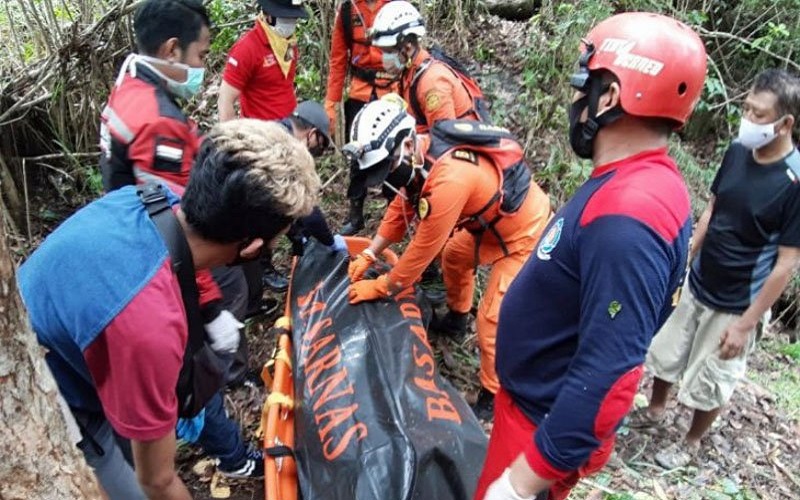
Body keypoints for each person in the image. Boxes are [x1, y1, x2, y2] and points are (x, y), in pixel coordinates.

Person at [18, 119, 320, 499]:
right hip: (50, 388)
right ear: (251, 248)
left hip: (61, 324)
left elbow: (185, 259)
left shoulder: (155, 196)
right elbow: (158, 481)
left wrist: (209, 306)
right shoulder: (149, 331)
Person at [475, 12, 707, 500]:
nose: (576, 101)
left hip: (541, 425)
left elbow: (611, 374)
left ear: (611, 96)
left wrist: (521, 482)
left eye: (586, 86)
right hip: (536, 405)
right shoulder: (640, 181)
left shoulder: (629, 216)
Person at [633, 69, 800, 469]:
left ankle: (691, 441)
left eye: (758, 114)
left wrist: (746, 324)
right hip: (701, 277)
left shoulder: (794, 182)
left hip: (739, 296)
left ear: (785, 124)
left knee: (712, 375)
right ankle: (655, 411)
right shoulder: (738, 150)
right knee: (667, 348)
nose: (748, 119)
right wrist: (684, 258)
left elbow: (787, 262)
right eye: (746, 107)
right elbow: (712, 208)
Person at [344, 98, 552, 420]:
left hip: (523, 232)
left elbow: (422, 251)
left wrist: (384, 285)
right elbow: (401, 210)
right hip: (489, 225)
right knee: (455, 256)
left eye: (386, 168)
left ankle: (492, 394)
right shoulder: (420, 158)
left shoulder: (449, 179)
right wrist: (371, 252)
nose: (384, 178)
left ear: (408, 142)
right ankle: (457, 318)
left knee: (492, 320)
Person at [99, 0, 211, 193]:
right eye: (201, 56)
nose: (202, 67)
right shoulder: (162, 121)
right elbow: (179, 207)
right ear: (172, 50)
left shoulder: (129, 83)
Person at [324, 0, 398, 235]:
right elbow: (338, 60)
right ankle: (355, 213)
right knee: (357, 152)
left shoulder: (396, 6)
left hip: (392, 91)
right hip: (360, 91)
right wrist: (331, 103)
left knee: (394, 152)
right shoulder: (347, 10)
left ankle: (393, 211)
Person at [368, 1, 487, 133]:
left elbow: (444, 139)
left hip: (459, 148)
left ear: (407, 47)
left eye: (389, 52)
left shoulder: (432, 82)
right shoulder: (409, 73)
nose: (384, 58)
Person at [218, 0, 307, 122]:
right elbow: (225, 100)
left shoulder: (288, 43)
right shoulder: (247, 49)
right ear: (268, 15)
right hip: (261, 134)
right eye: (285, 18)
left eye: (293, 18)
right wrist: (231, 137)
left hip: (289, 128)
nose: (290, 23)